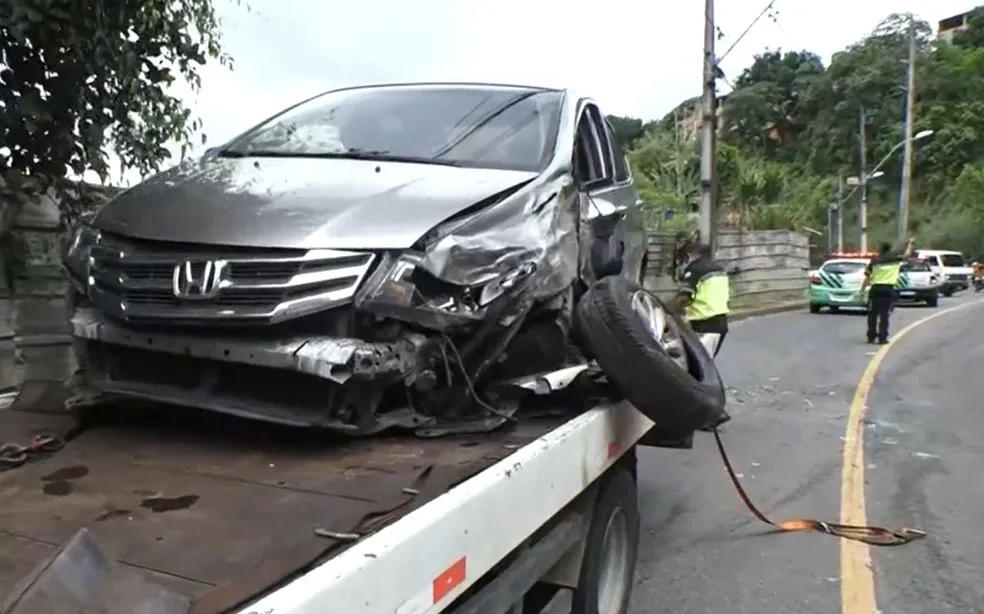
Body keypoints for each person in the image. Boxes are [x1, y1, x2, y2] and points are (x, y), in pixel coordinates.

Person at [677, 241, 731, 358]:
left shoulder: (695, 269)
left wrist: (671, 311)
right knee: (706, 365)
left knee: (696, 367)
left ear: (689, 256)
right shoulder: (719, 269)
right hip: (720, 325)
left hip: (703, 326)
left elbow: (685, 297)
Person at [861, 237, 915, 344]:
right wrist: (910, 244)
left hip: (875, 289)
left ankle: (871, 336)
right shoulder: (895, 259)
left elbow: (867, 277)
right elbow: (907, 254)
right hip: (888, 289)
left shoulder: (874, 261)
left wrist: (862, 290)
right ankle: (882, 338)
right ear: (889, 249)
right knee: (884, 315)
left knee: (872, 314)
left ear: (880, 250)